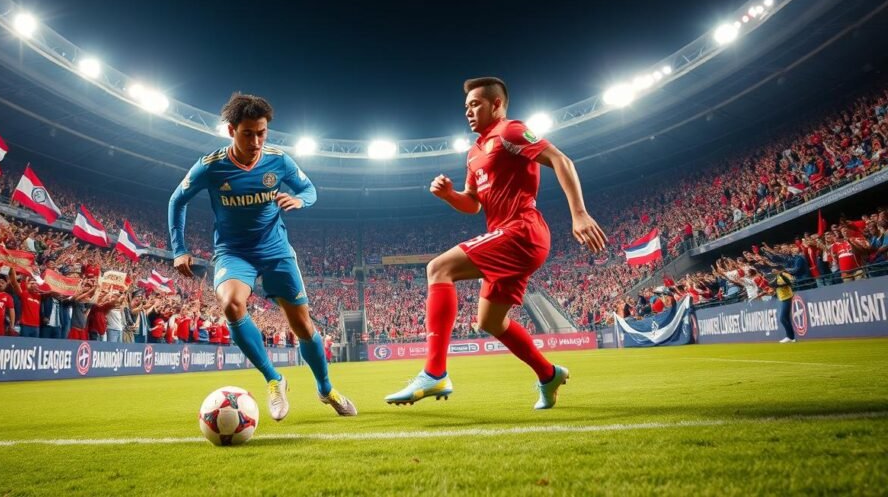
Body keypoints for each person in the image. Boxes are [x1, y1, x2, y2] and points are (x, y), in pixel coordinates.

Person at [385, 77, 606, 409]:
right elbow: (473, 204)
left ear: (497, 104)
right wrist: (449, 195)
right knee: (490, 321)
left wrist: (579, 213)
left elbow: (562, 160)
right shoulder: (474, 153)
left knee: (439, 268)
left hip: (523, 231)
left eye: (475, 104)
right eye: (466, 107)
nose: (468, 112)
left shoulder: (511, 131)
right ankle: (548, 374)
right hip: (507, 236)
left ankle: (435, 372)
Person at [169, 92, 356, 420]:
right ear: (231, 130)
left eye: (262, 133)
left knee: (303, 326)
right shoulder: (210, 167)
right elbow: (177, 200)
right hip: (233, 252)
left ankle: (326, 389)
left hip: (276, 251)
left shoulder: (278, 161)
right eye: (248, 134)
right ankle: (274, 378)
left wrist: (300, 201)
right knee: (231, 304)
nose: (256, 142)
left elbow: (309, 189)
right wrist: (179, 249)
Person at [772, 268, 797, 344]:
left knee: (782, 318)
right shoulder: (777, 276)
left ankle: (790, 337)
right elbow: (774, 285)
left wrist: (778, 285)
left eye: (774, 269)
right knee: (786, 319)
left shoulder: (784, 274)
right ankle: (791, 337)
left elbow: (790, 282)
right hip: (783, 298)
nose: (773, 271)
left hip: (787, 297)